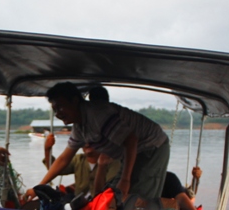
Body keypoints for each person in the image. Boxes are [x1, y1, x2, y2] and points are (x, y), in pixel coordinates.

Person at [27, 82, 170, 201]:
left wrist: (125, 180)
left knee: (139, 197)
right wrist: (39, 187)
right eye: (55, 109)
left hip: (152, 146)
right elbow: (64, 158)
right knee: (114, 195)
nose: (58, 113)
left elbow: (131, 140)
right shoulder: (79, 127)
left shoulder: (97, 115)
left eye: (61, 107)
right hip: (130, 153)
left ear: (75, 100)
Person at [42, 132, 120, 197]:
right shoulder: (78, 159)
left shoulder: (112, 161)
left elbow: (109, 189)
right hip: (79, 206)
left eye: (91, 141)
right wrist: (47, 150)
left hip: (101, 204)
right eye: (83, 141)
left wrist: (101, 166)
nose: (87, 144)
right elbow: (55, 169)